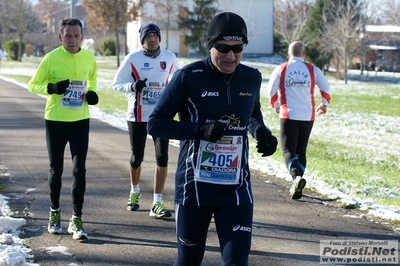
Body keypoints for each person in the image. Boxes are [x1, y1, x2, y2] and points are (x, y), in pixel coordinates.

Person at [148, 12, 277, 266]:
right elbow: (155, 123)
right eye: (223, 48)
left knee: (237, 262)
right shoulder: (189, 76)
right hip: (194, 190)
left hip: (236, 190)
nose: (231, 56)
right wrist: (198, 130)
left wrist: (261, 131)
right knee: (188, 263)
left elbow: (250, 114)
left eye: (238, 48)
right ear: (210, 46)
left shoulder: (251, 77)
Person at [28, 18, 98, 240]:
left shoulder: (89, 57)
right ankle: (55, 212)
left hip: (80, 120)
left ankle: (76, 219)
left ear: (82, 37)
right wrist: (51, 88)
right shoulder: (51, 58)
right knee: (55, 169)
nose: (73, 40)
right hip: (56, 120)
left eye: (77, 35)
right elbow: (33, 84)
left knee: (79, 170)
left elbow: (92, 80)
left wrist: (93, 95)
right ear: (60, 37)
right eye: (68, 35)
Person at [112, 23, 179, 218]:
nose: (152, 39)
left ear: (159, 38)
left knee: (162, 157)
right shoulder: (132, 59)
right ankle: (134, 191)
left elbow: (178, 80)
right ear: (143, 39)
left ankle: (157, 202)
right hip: (137, 116)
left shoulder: (169, 57)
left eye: (155, 36)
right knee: (136, 157)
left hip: (160, 116)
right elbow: (116, 84)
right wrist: (133, 86)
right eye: (148, 36)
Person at [267, 41, 331, 200]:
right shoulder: (313, 70)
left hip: (288, 115)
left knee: (288, 150)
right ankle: (297, 184)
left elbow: (271, 91)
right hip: (308, 116)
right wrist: (324, 104)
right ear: (304, 54)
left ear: (288, 54)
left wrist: (275, 105)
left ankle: (296, 179)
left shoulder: (281, 69)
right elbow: (326, 88)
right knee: (301, 151)